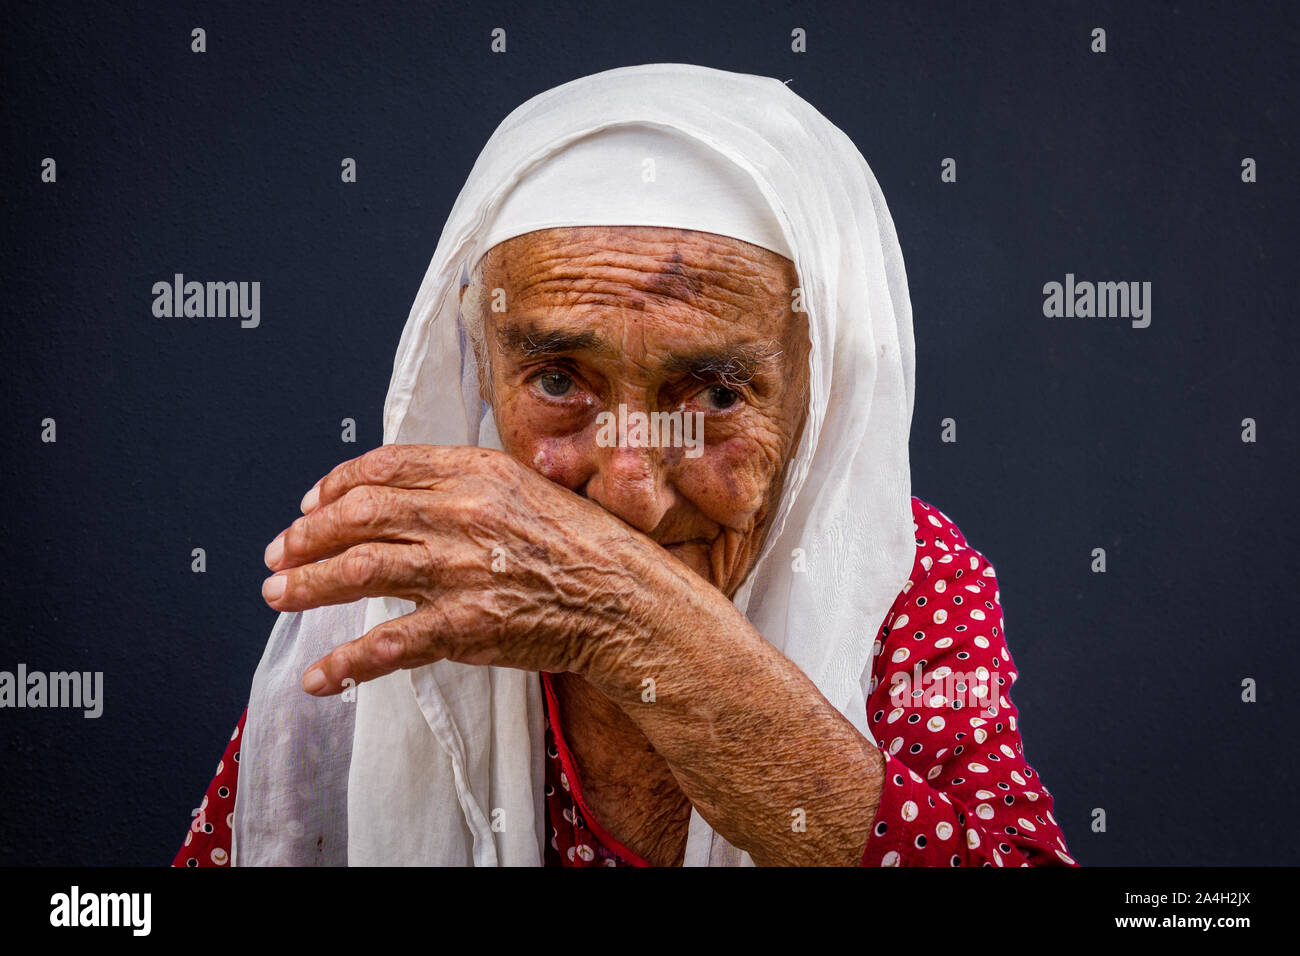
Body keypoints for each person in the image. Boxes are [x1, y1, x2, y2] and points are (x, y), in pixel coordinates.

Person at [174, 63, 1077, 867]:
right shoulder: (410, 578)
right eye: (559, 380)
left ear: (821, 391)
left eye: (715, 395)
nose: (631, 495)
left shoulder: (902, 578)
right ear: (483, 369)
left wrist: (636, 623)